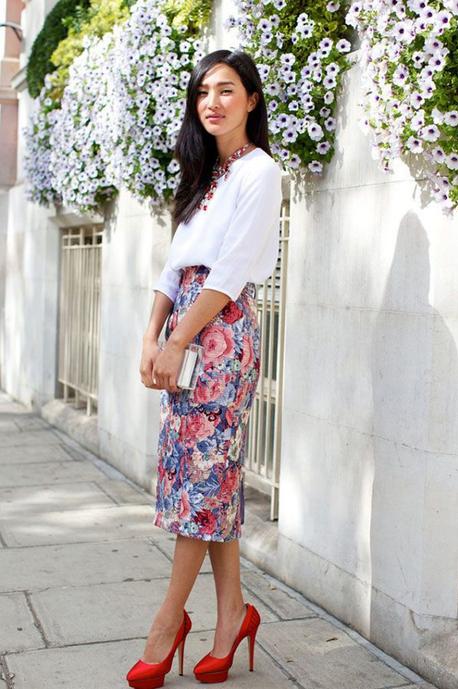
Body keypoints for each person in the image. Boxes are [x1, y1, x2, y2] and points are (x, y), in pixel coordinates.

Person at [127, 48, 283, 688]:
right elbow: (175, 265)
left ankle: (167, 625)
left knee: (199, 475)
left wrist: (177, 340)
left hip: (219, 331)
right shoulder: (203, 177)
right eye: (202, 93)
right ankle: (232, 616)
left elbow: (227, 272)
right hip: (186, 324)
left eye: (226, 90)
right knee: (208, 475)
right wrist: (151, 333)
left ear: (250, 99)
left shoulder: (259, 172)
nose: (212, 102)